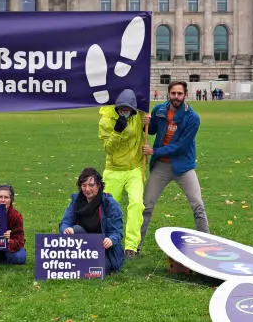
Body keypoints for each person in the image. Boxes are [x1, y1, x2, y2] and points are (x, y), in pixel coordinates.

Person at [138, 81, 210, 252]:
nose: (176, 97)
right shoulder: (159, 110)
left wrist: (154, 151)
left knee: (197, 205)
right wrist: (145, 122)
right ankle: (135, 246)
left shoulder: (193, 118)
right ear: (168, 94)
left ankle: (208, 244)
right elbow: (152, 130)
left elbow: (181, 146)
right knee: (146, 206)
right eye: (173, 93)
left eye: (179, 94)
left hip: (183, 166)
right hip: (161, 167)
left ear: (185, 95)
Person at [97, 89, 149, 259]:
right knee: (107, 207)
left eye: (128, 109)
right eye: (121, 109)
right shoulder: (106, 120)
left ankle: (131, 247)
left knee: (136, 204)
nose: (124, 112)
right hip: (113, 170)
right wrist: (117, 132)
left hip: (134, 168)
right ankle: (105, 240)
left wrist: (148, 122)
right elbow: (108, 149)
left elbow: (151, 127)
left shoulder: (140, 113)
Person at [59, 167, 124, 274]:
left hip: (103, 247)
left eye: (91, 185)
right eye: (84, 185)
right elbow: (65, 222)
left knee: (100, 269)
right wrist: (66, 229)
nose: (87, 189)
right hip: (83, 242)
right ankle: (79, 262)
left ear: (99, 185)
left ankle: (82, 263)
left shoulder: (109, 203)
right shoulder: (76, 200)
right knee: (76, 229)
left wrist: (111, 240)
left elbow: (117, 232)